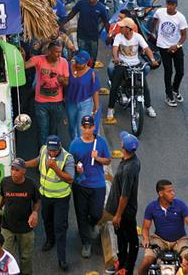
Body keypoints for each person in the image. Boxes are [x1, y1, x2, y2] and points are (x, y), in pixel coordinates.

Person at [24, 135, 74, 271]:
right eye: (50, 150)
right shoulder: (44, 150)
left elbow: (70, 179)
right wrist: (24, 164)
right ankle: (50, 240)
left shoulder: (67, 158)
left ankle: (62, 259)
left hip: (60, 198)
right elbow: (38, 161)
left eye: (54, 151)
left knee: (60, 227)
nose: (52, 153)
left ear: (60, 147)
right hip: (45, 195)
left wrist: (55, 168)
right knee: (47, 220)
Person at [138, 180, 188, 275]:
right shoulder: (151, 207)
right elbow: (145, 228)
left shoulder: (180, 205)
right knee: (146, 262)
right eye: (169, 191)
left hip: (180, 241)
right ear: (160, 193)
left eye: (173, 191)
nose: (173, 194)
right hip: (159, 240)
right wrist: (146, 239)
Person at [69, 116, 110, 258]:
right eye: (85, 127)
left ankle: (91, 223)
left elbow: (108, 160)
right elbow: (70, 164)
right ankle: (86, 243)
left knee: (96, 213)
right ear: (81, 127)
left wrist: (98, 158)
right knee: (81, 214)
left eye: (90, 127)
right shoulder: (74, 144)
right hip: (80, 185)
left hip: (97, 184)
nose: (87, 130)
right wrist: (77, 168)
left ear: (93, 127)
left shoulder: (101, 142)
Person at [106, 17, 158, 121]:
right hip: (122, 64)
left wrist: (152, 59)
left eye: (122, 27)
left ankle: (148, 106)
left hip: (136, 64)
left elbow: (146, 49)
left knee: (144, 87)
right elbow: (115, 48)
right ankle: (110, 109)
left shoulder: (137, 37)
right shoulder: (119, 37)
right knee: (114, 86)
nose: (120, 28)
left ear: (129, 29)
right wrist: (116, 58)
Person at [0, 158, 39, 275]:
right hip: (7, 226)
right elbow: (3, 196)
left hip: (25, 228)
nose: (13, 172)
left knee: (25, 257)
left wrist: (34, 213)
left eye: (17, 170)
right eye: (12, 169)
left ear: (24, 171)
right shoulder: (5, 182)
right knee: (6, 256)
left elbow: (37, 201)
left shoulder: (31, 185)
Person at [104, 131, 141, 275]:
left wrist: (118, 215)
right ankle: (121, 260)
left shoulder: (129, 168)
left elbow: (125, 195)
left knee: (131, 239)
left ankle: (127, 268)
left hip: (125, 212)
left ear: (123, 146)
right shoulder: (130, 160)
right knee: (120, 236)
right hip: (119, 210)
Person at [24, 41, 69, 146]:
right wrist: (22, 55)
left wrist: (63, 81)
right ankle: (42, 156)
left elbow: (67, 82)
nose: (59, 55)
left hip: (57, 102)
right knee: (43, 131)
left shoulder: (64, 62)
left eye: (60, 52)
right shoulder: (39, 59)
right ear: (49, 51)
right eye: (56, 52)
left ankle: (53, 154)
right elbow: (23, 66)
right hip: (41, 103)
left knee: (53, 131)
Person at [152, 0, 187, 107]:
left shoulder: (180, 18)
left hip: (175, 47)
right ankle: (168, 96)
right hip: (163, 46)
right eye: (168, 4)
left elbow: (183, 36)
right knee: (168, 71)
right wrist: (152, 33)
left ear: (176, 5)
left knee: (180, 71)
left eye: (172, 4)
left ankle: (174, 89)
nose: (170, 6)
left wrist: (176, 46)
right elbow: (154, 21)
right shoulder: (160, 12)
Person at [61, 0, 109, 64]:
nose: (91, 0)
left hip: (93, 37)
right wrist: (63, 23)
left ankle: (91, 73)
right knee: (82, 57)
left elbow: (106, 22)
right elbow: (72, 14)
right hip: (81, 36)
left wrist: (109, 35)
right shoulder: (81, 4)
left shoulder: (101, 8)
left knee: (92, 59)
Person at [64, 51, 100, 141]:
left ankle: (79, 150)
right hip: (70, 102)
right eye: (77, 62)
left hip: (85, 103)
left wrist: (96, 106)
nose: (78, 65)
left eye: (81, 63)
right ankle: (74, 144)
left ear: (87, 63)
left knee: (81, 129)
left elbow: (95, 90)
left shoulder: (91, 73)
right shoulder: (68, 67)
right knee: (72, 127)